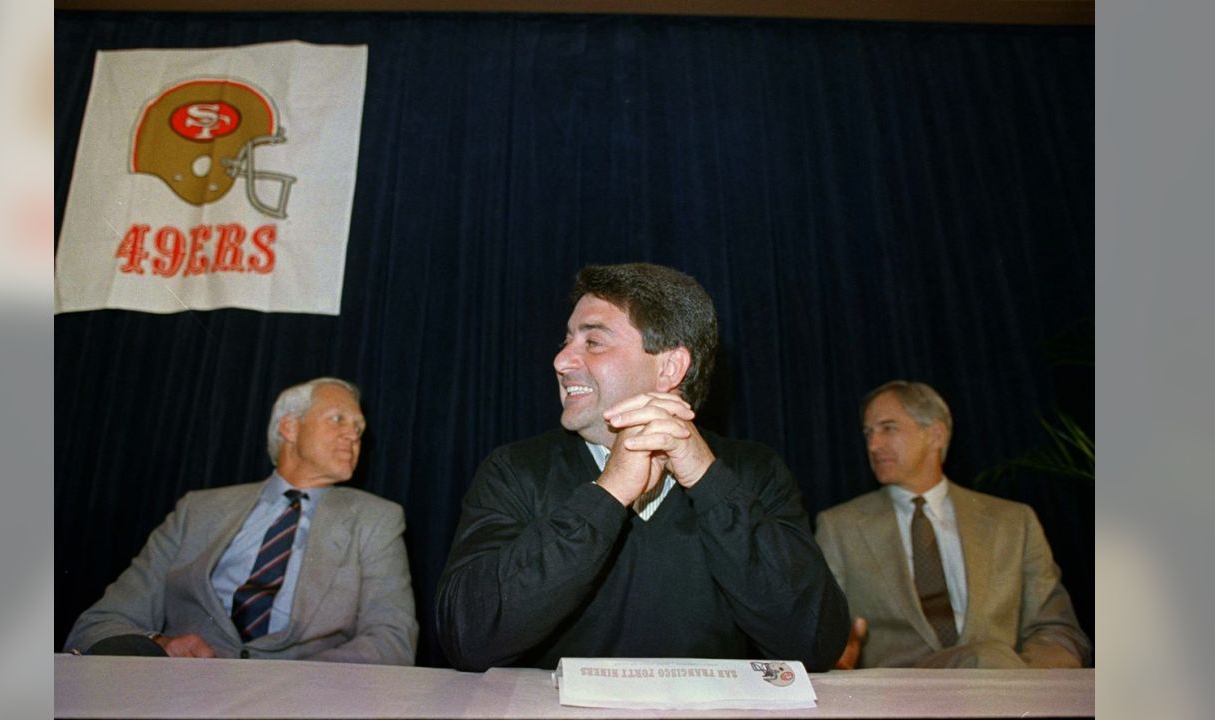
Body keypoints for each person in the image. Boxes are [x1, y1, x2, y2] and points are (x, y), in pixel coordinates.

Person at [435, 263, 850, 672]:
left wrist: (709, 482)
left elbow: (814, 642)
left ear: (669, 368)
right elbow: (466, 637)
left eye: (593, 342)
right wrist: (607, 494)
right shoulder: (516, 470)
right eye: (566, 341)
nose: (561, 360)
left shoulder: (754, 471)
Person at [64, 377, 418, 664]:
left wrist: (294, 684)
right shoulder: (197, 511)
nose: (353, 435)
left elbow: (392, 640)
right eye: (338, 419)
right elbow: (98, 626)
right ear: (289, 427)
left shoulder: (377, 520)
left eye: (359, 427)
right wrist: (159, 645)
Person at [814, 380, 1091, 669]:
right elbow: (823, 634)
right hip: (900, 701)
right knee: (984, 658)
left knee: (986, 658)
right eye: (868, 433)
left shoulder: (1013, 522)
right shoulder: (839, 528)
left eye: (888, 428)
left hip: (1002, 688)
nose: (873, 445)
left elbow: (1056, 630)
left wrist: (1022, 685)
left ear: (935, 435)